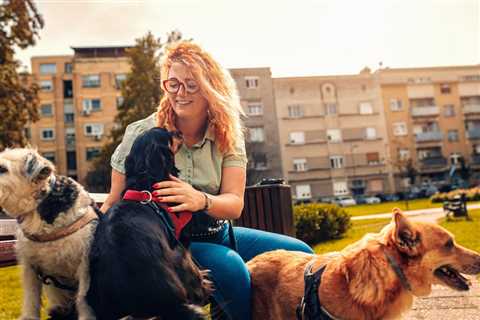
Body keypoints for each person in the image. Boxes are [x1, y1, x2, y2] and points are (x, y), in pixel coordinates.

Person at [100, 41, 313, 320]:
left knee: (302, 256)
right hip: (169, 242)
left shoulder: (227, 134)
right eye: (173, 84)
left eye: (191, 84)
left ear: (210, 88)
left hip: (218, 232)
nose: (180, 93)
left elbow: (234, 203)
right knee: (232, 271)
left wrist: (200, 199)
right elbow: (115, 200)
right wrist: (90, 244)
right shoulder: (142, 133)